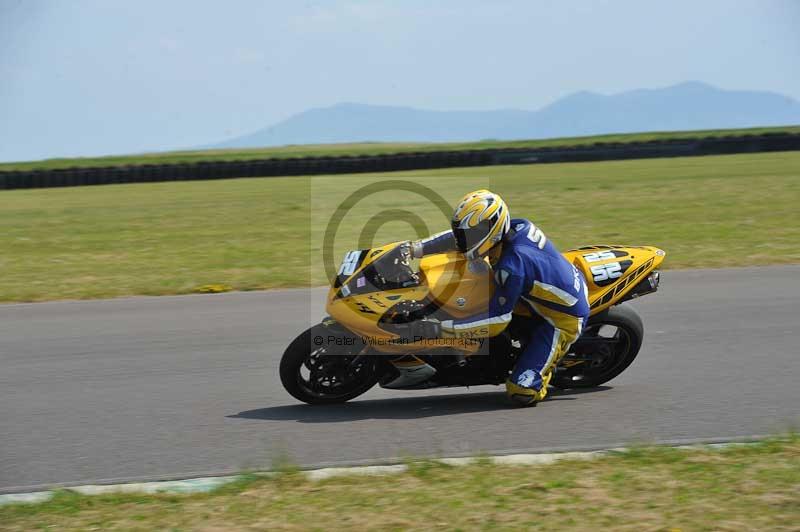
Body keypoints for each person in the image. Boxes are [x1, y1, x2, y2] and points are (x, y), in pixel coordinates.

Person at [402, 189, 590, 406]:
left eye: (470, 234)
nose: (464, 239)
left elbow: (497, 322)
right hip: (533, 295)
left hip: (561, 318)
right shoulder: (514, 226)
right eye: (464, 232)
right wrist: (415, 249)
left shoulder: (511, 267)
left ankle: (540, 373)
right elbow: (457, 240)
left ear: (492, 228)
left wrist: (441, 328)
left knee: (520, 392)